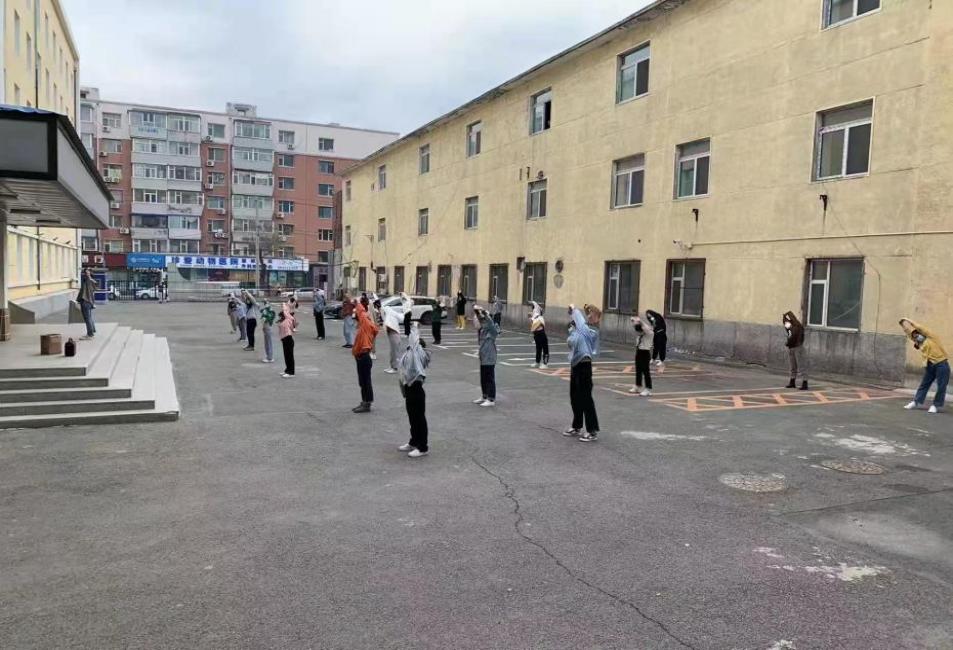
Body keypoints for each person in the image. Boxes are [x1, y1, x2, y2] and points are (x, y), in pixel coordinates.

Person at [563, 304, 600, 442]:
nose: (589, 315)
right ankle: (577, 426)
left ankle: (592, 430)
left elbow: (579, 319)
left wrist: (573, 309)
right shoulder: (581, 328)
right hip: (576, 364)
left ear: (597, 318)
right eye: (588, 313)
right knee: (575, 397)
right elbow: (572, 341)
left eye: (592, 314)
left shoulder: (592, 330)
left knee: (586, 398)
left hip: (585, 365)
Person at [397, 323, 432, 458]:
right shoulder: (411, 357)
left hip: (416, 390)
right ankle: (414, 442)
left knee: (419, 419)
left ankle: (423, 447)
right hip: (409, 389)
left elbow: (414, 343)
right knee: (412, 418)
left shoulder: (417, 354)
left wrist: (415, 327)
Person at [900, 318, 949, 414]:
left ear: (921, 334)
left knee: (941, 386)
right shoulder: (920, 344)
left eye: (917, 335)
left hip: (941, 364)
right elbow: (909, 334)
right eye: (915, 337)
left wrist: (909, 321)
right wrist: (902, 325)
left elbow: (920, 328)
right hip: (929, 366)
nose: (917, 337)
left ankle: (935, 405)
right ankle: (916, 402)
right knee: (924, 384)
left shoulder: (931, 338)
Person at [352, 300, 379, 413]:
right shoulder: (363, 328)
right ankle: (364, 401)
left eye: (356, 319)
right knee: (362, 381)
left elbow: (362, 313)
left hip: (364, 357)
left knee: (365, 382)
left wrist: (357, 303)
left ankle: (367, 403)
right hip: (361, 357)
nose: (355, 322)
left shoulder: (365, 326)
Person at [473, 305, 500, 407]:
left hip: (490, 357)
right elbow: (481, 320)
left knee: (489, 378)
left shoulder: (492, 331)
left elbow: (489, 322)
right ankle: (484, 396)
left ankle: (491, 399)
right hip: (483, 357)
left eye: (484, 320)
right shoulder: (483, 331)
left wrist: (484, 312)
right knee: (483, 378)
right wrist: (477, 312)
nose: (482, 322)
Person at [629, 314, 654, 396]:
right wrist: (634, 320)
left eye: (639, 332)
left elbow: (646, 329)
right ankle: (638, 385)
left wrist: (641, 322)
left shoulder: (649, 333)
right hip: (639, 351)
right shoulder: (640, 333)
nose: (638, 333)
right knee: (638, 370)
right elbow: (635, 325)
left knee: (646, 371)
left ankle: (648, 388)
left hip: (645, 352)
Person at [783, 311, 807, 390]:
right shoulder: (791, 327)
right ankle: (792, 382)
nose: (786, 323)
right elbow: (789, 334)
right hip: (792, 347)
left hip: (797, 347)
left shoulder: (797, 326)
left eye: (787, 321)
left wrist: (788, 343)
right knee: (793, 366)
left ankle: (805, 383)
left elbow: (792, 337)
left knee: (801, 366)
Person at [77, 268, 98, 339]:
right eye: (85, 273)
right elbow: (96, 286)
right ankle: (92, 331)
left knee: (87, 318)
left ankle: (90, 334)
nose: (84, 274)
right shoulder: (92, 281)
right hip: (89, 302)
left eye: (86, 273)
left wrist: (78, 299)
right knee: (89, 317)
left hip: (85, 301)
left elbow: (83, 292)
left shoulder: (87, 281)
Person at [383, 305, 403, 375]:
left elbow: (388, 327)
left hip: (394, 336)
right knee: (392, 352)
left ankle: (395, 368)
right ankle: (392, 366)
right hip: (393, 336)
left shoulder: (390, 318)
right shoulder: (391, 316)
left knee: (394, 353)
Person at [529, 301, 549, 369]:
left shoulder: (540, 318)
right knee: (538, 349)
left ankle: (545, 364)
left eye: (533, 308)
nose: (532, 309)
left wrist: (533, 326)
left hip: (541, 334)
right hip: (536, 335)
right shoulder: (534, 317)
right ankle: (537, 362)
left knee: (545, 349)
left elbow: (535, 327)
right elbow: (532, 326)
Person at [278, 303, 296, 378]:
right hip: (284, 339)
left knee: (289, 356)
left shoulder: (289, 318)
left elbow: (286, 311)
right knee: (286, 356)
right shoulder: (283, 320)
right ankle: (287, 370)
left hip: (288, 339)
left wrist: (283, 305)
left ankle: (291, 372)